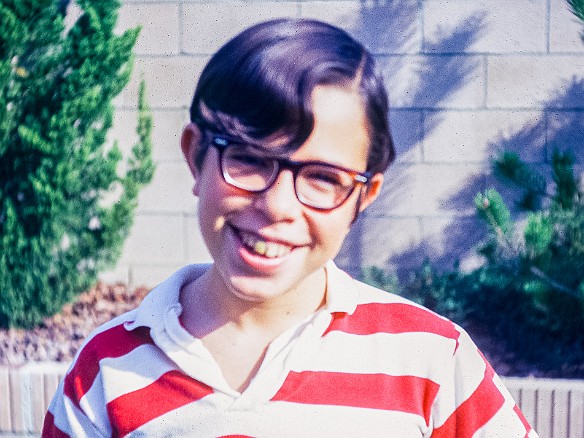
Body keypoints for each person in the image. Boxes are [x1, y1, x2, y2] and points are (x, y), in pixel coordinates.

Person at [43, 19, 537, 437]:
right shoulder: (105, 372)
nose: (277, 206)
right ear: (195, 154)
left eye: (323, 178)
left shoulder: (431, 362)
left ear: (362, 197)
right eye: (251, 159)